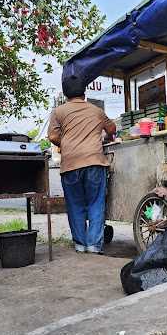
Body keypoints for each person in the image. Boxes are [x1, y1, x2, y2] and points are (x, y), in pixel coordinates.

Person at [48, 85, 116, 254]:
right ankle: (93, 245)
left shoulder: (58, 111)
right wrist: (104, 138)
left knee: (75, 205)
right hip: (94, 161)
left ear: (65, 94)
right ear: (84, 93)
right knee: (96, 203)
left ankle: (80, 244)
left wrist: (66, 143)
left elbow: (53, 136)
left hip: (70, 164)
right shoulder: (96, 110)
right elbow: (112, 129)